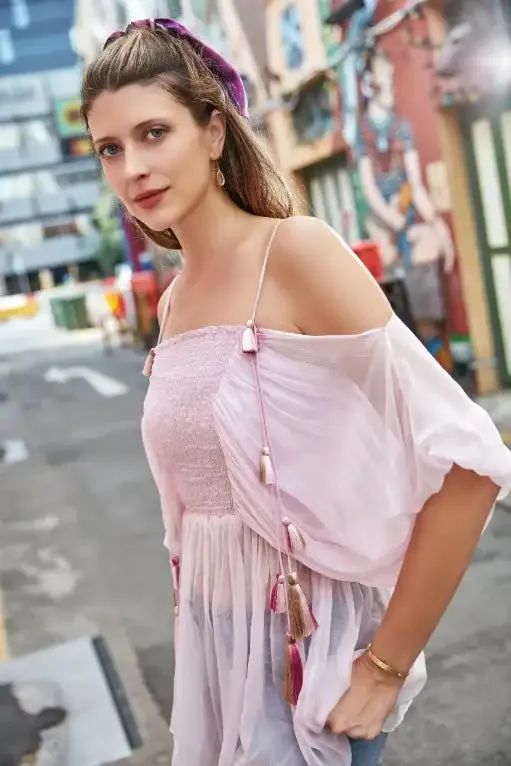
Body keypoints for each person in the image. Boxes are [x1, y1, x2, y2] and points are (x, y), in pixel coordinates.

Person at [81, 19, 511, 766]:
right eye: (110, 149)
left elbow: (469, 461)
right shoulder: (177, 298)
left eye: (155, 132)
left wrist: (384, 665)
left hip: (305, 665)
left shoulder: (296, 253)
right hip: (216, 661)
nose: (132, 168)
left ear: (214, 132)